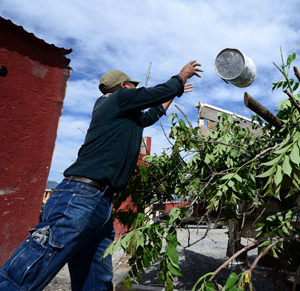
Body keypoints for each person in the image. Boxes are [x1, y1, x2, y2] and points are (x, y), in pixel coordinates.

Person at [0, 60, 203, 291]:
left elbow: (153, 113)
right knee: (28, 271)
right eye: (133, 86)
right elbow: (153, 94)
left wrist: (173, 92)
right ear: (124, 86)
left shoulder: (126, 115)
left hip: (99, 202)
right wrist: (180, 78)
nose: (136, 90)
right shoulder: (115, 99)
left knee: (95, 278)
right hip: (80, 197)